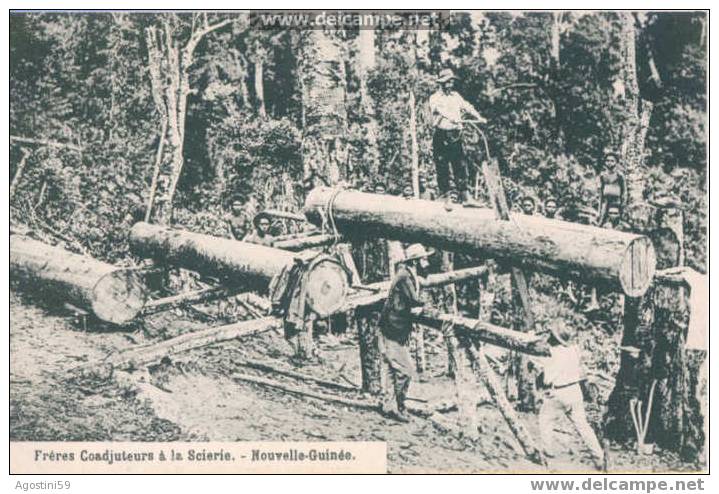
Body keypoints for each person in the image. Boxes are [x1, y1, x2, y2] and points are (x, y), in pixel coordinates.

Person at [535, 320, 605, 471]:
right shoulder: (574, 350)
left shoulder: (551, 353)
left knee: (545, 419)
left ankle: (548, 450)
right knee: (583, 426)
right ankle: (599, 456)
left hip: (559, 392)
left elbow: (546, 378)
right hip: (575, 391)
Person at [378, 243, 433, 422]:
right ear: (416, 261)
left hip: (391, 327)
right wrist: (424, 306)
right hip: (394, 328)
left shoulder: (408, 273)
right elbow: (415, 300)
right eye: (424, 259)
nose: (427, 262)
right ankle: (399, 408)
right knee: (405, 370)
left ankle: (388, 405)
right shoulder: (405, 277)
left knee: (391, 368)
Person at [429, 68, 487, 203]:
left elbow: (467, 106)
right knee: (442, 165)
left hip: (456, 134)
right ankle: (445, 197)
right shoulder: (435, 98)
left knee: (460, 165)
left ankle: (465, 197)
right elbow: (439, 110)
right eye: (447, 82)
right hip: (442, 135)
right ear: (441, 83)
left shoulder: (456, 96)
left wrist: (479, 117)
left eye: (451, 82)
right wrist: (451, 117)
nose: (450, 84)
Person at [598, 151, 626, 227]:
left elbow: (624, 190)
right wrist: (600, 203)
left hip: (616, 201)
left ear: (616, 163)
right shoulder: (603, 175)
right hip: (605, 199)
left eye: (612, 161)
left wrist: (623, 202)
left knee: (613, 217)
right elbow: (601, 189)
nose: (609, 163)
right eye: (607, 161)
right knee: (602, 215)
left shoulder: (619, 175)